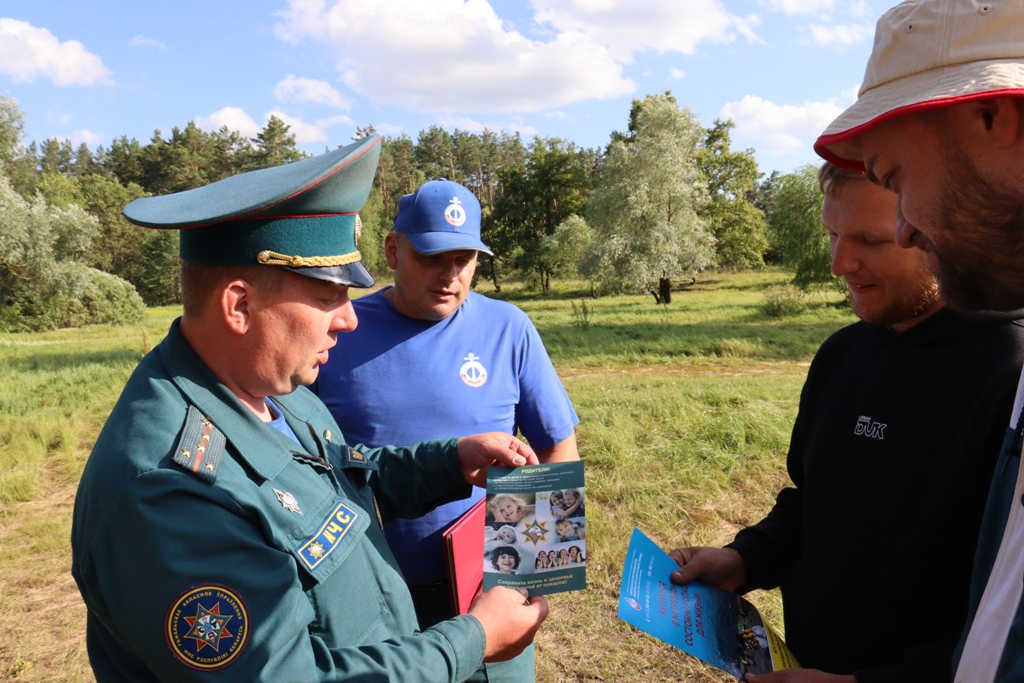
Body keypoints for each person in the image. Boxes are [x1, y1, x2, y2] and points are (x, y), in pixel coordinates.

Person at [70, 136, 549, 683]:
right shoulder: (171, 496)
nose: (348, 320)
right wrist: (471, 640)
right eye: (328, 297)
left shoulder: (279, 392)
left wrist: (449, 461)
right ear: (240, 305)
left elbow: (340, 484)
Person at [669, 160, 1024, 683]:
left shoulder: (1012, 373)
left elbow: (1011, 607)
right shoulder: (842, 353)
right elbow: (814, 500)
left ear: (937, 231)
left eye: (869, 240)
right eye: (833, 234)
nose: (839, 264)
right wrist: (745, 558)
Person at [812, 3, 1024, 681]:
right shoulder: (844, 356)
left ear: (994, 115)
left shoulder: (1006, 364)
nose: (905, 231)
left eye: (896, 177)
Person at [313, 177, 579, 682]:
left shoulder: (509, 327)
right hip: (371, 599)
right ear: (393, 250)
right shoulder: (338, 329)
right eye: (433, 257)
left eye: (465, 259)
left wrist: (533, 571)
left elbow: (556, 447)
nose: (451, 275)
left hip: (487, 593)